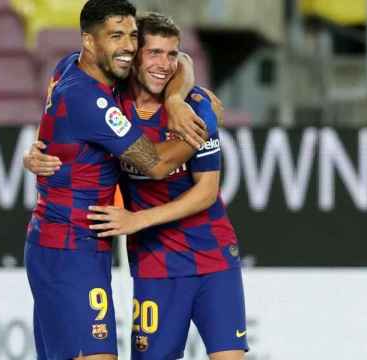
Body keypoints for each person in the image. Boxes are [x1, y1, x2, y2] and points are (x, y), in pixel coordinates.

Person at [28, 11, 248, 360]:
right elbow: (156, 163)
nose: (164, 64)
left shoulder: (192, 106)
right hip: (153, 262)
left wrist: (180, 100)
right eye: (153, 53)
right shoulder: (114, 103)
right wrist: (36, 154)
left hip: (212, 256)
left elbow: (206, 192)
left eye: (170, 55)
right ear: (135, 58)